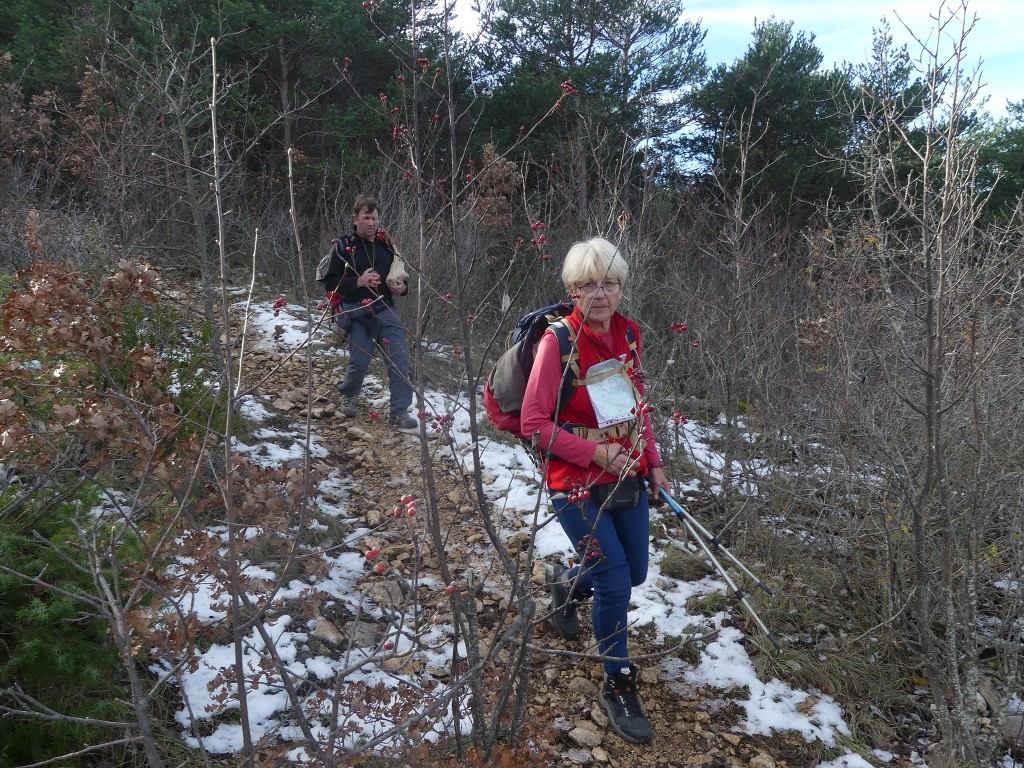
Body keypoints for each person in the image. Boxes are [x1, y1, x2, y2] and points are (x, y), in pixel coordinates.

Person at [520, 237, 669, 745]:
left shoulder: (628, 334)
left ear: (622, 287)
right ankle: (618, 682)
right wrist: (594, 454)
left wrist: (654, 462)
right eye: (587, 285)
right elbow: (534, 423)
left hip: (624, 473)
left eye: (608, 282)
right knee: (613, 580)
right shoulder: (556, 343)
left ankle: (564, 581)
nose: (599, 293)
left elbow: (636, 404)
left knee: (636, 572)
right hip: (574, 483)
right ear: (572, 289)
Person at [322, 196, 417, 431]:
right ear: (355, 220)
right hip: (357, 310)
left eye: (374, 218)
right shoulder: (344, 246)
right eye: (366, 218)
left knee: (400, 360)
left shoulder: (387, 245)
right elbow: (330, 281)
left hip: (386, 308)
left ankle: (399, 412)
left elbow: (401, 276)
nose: (371, 223)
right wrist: (359, 282)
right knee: (360, 361)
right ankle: (350, 395)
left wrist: (402, 289)